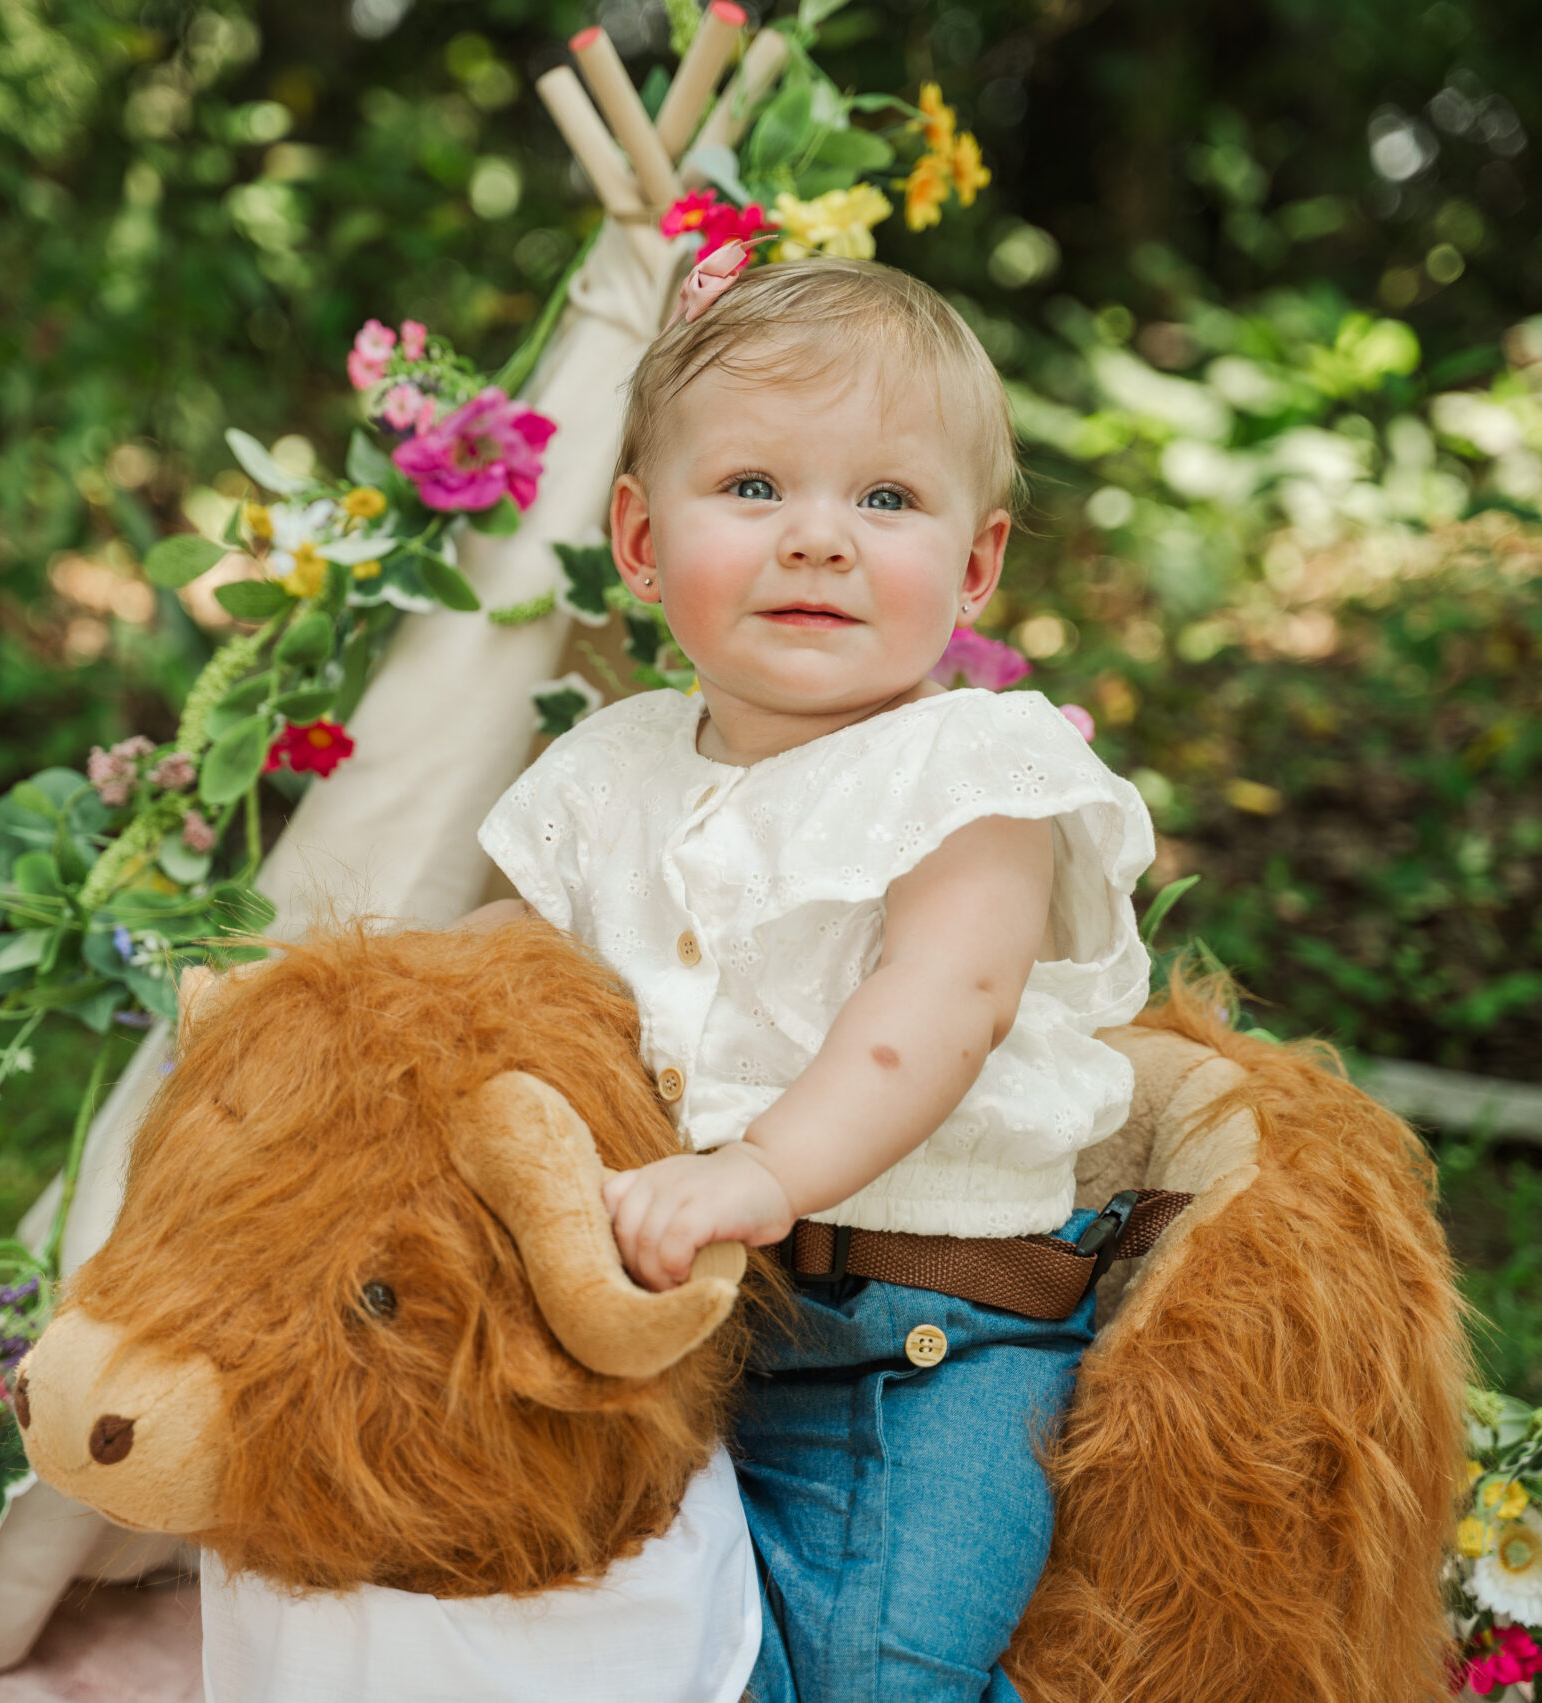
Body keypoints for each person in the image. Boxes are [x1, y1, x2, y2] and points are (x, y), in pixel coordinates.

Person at [468, 248, 1156, 1703]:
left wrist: (766, 1170)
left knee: (879, 1671)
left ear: (975, 566)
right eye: (757, 489)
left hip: (926, 1349)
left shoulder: (972, 770)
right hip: (675, 1337)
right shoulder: (607, 770)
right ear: (643, 544)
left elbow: (939, 1010)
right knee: (623, 1638)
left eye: (887, 500)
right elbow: (507, 986)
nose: (819, 540)